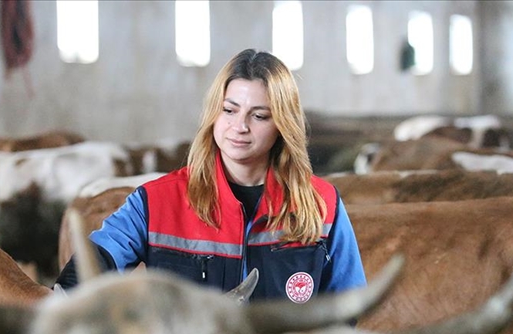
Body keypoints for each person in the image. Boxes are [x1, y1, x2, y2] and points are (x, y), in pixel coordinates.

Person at [56, 48, 366, 305]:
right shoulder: (155, 202)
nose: (239, 126)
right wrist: (59, 299)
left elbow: (348, 303)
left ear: (283, 125)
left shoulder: (323, 204)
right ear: (214, 114)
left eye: (259, 116)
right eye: (229, 110)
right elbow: (98, 258)